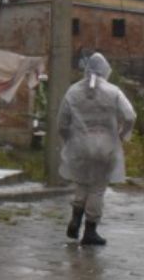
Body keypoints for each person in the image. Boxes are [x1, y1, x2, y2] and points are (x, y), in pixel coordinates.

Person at [57, 52, 136, 246]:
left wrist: (70, 140)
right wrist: (122, 134)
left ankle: (75, 218)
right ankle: (90, 231)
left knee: (82, 184)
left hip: (80, 145)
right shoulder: (113, 92)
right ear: (105, 70)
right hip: (106, 146)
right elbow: (130, 116)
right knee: (98, 188)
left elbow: (62, 123)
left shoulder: (73, 92)